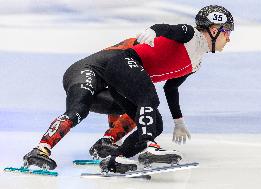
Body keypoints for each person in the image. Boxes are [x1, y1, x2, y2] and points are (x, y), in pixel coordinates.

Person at [23, 5, 234, 173]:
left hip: (118, 80)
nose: (230, 38)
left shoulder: (196, 63)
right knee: (80, 109)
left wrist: (178, 121)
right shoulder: (188, 35)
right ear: (214, 30)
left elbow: (172, 88)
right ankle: (41, 149)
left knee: (141, 114)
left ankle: (107, 145)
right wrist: (152, 31)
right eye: (227, 32)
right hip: (89, 70)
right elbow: (167, 29)